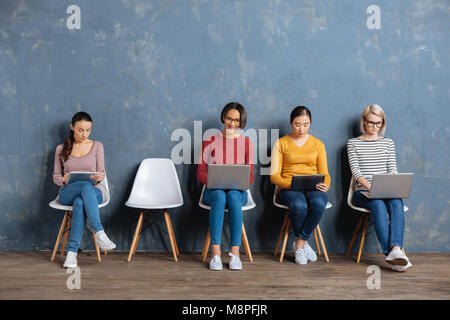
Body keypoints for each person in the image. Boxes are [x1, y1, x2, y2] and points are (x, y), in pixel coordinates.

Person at [347, 104, 412, 272]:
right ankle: (390, 252)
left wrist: (389, 187)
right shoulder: (353, 144)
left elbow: (392, 170)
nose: (375, 127)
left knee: (397, 202)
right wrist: (372, 188)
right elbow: (356, 173)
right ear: (364, 121)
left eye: (379, 123)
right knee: (377, 204)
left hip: (386, 190)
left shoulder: (388, 143)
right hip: (362, 192)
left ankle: (396, 250)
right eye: (371, 123)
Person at [53, 111, 116, 268]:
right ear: (72, 127)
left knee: (80, 202)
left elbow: (101, 172)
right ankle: (99, 232)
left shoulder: (97, 146)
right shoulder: (61, 148)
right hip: (68, 192)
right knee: (84, 188)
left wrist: (99, 177)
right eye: (81, 130)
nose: (84, 134)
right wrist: (63, 179)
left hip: (94, 192)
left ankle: (72, 254)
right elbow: (55, 176)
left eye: (88, 130)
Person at [197, 102, 254, 271]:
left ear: (241, 122)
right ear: (223, 117)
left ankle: (235, 255)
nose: (232, 123)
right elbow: (200, 172)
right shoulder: (210, 141)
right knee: (221, 195)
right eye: (229, 118)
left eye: (237, 120)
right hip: (212, 191)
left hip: (238, 192)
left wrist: (237, 182)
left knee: (233, 196)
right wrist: (214, 181)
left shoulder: (246, 143)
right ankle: (215, 255)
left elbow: (249, 175)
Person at [270, 106, 330, 265]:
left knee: (319, 202)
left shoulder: (318, 144)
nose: (301, 128)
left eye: (306, 124)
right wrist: (292, 184)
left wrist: (326, 184)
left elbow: (325, 173)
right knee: (299, 204)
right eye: (297, 124)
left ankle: (300, 243)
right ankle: (302, 245)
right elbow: (274, 177)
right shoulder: (281, 143)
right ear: (291, 123)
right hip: (288, 188)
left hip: (313, 187)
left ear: (310, 123)